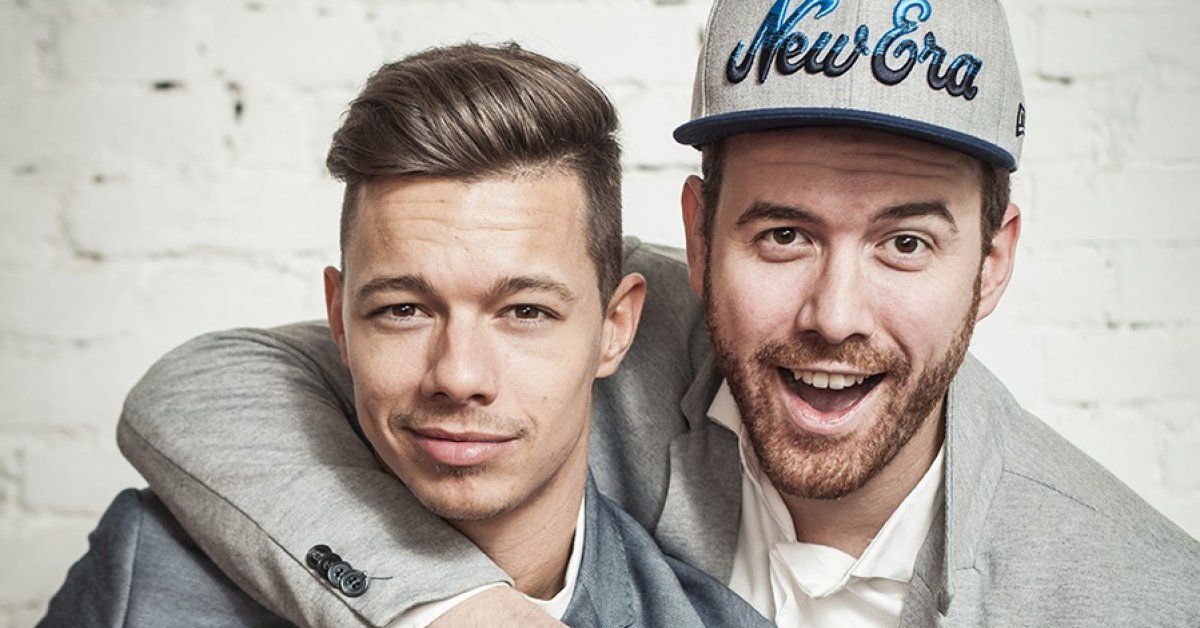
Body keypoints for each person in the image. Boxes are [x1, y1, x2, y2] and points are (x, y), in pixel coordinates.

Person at [113, 0, 1200, 626]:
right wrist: (447, 602)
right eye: (782, 235)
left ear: (992, 263)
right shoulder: (580, 326)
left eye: (906, 244)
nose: (834, 314)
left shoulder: (1134, 594)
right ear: (699, 232)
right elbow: (209, 389)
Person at [38, 43, 772, 628]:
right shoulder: (153, 576)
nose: (458, 376)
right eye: (403, 310)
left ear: (615, 329)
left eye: (525, 312)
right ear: (339, 320)